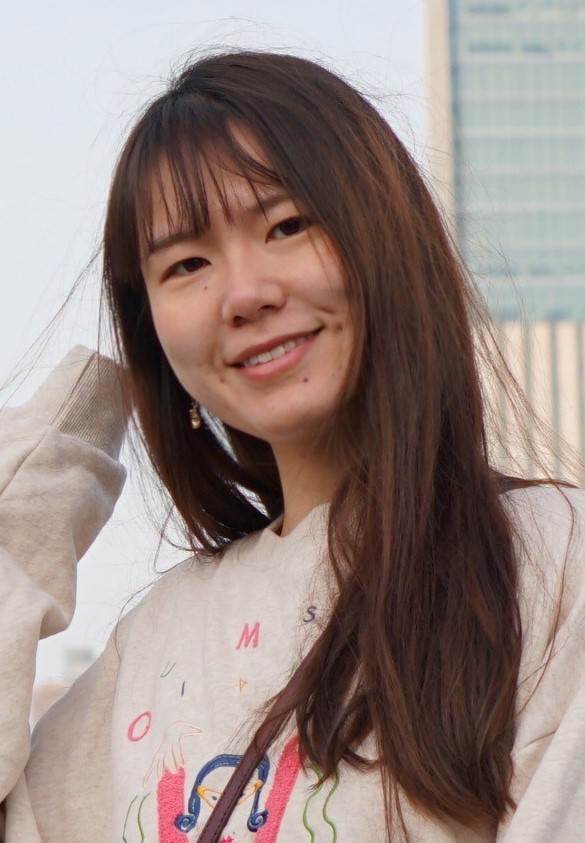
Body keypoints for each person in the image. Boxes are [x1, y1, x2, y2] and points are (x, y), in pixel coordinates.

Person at [2, 50, 585, 843]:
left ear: (387, 235)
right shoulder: (154, 638)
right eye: (186, 264)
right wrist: (37, 491)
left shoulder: (553, 560)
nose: (244, 294)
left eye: (286, 225)